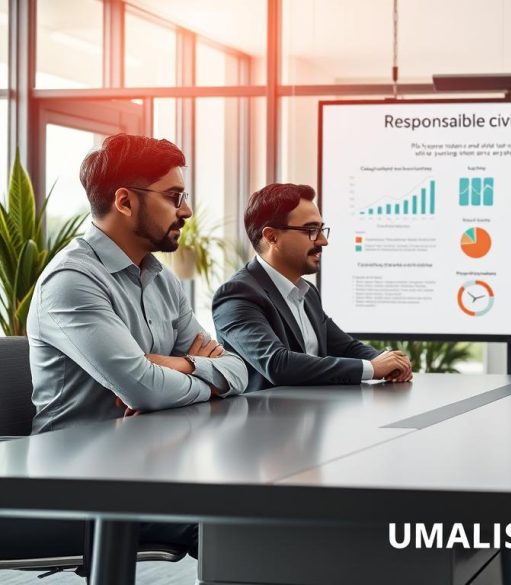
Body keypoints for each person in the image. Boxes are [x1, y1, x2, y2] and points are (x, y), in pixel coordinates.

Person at [27, 133, 250, 556]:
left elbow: (238, 369)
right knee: (242, 524)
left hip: (150, 464)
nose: (185, 210)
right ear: (125, 201)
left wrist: (175, 365)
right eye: (174, 196)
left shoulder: (161, 278)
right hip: (79, 482)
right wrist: (171, 376)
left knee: (260, 500)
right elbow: (143, 388)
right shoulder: (72, 281)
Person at [213, 183, 412, 392]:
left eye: (321, 229)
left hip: (314, 414)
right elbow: (277, 364)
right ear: (272, 237)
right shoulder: (237, 295)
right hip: (267, 420)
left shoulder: (307, 292)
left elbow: (345, 347)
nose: (323, 241)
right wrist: (371, 368)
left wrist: (386, 360)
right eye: (311, 230)